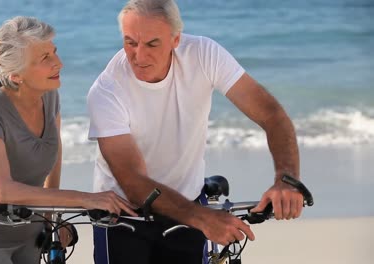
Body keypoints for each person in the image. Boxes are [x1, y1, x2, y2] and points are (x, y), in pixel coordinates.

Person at [87, 0, 305, 263]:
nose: (139, 56)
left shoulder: (203, 54)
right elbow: (134, 183)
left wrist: (286, 178)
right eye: (130, 42)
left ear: (175, 39)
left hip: (188, 203)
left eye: (152, 44)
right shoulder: (107, 90)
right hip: (123, 214)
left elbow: (270, 113)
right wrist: (203, 218)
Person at [0, 16, 136, 264]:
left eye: (54, 52)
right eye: (45, 58)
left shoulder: (49, 94)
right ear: (16, 75)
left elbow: (54, 154)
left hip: (29, 232)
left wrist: (51, 218)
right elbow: (1, 190)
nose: (59, 63)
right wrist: (85, 198)